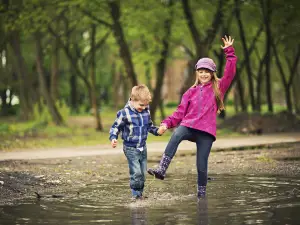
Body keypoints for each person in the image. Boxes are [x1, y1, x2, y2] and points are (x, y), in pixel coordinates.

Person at [147, 35, 237, 199]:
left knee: (201, 165)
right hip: (188, 126)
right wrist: (166, 124)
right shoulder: (190, 92)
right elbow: (179, 113)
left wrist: (229, 52)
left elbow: (230, 73)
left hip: (206, 132)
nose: (204, 74)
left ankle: (201, 195)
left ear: (212, 73)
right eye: (201, 72)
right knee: (177, 134)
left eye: (207, 72)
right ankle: (161, 169)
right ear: (197, 73)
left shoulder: (218, 88)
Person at [109, 84, 166, 200]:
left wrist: (158, 131)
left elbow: (149, 127)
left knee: (143, 173)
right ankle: (135, 195)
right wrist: (113, 137)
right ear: (132, 100)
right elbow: (115, 127)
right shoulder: (124, 113)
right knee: (136, 172)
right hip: (130, 148)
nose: (144, 108)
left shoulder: (146, 111)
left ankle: (140, 193)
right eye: (141, 105)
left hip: (142, 147)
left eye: (146, 105)